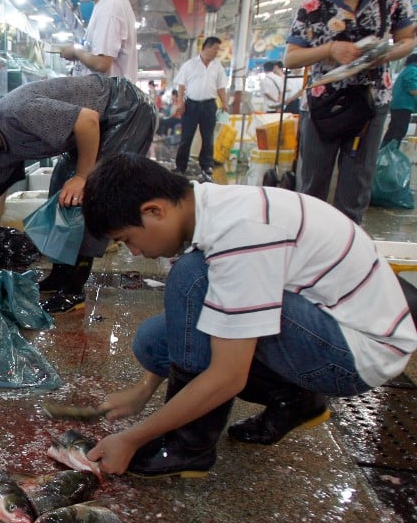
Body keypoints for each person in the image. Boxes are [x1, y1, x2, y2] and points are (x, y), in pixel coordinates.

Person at [78, 153, 416, 478]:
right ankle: (295, 399)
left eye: (127, 240)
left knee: (193, 276)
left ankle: (189, 447)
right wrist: (144, 389)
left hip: (358, 352)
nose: (134, 252)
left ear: (155, 210)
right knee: (155, 343)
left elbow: (229, 376)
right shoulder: (208, 205)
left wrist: (132, 438)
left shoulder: (240, 234)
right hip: (324, 321)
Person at [0, 75, 156, 313]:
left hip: (126, 110)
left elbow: (88, 121)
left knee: (88, 196)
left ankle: (73, 290)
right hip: (94, 125)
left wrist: (83, 177)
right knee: (60, 184)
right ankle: (60, 275)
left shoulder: (17, 112)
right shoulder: (1, 155)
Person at [285, 0, 415, 224]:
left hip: (372, 100)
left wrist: (385, 54)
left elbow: (408, 40)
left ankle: (348, 244)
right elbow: (291, 58)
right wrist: (329, 50)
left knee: (357, 180)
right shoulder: (313, 7)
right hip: (324, 104)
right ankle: (308, 239)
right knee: (313, 181)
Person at [59, 0, 137, 81]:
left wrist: (76, 52)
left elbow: (101, 63)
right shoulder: (106, 2)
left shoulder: (110, 6)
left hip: (108, 99)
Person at [172, 36, 228, 179]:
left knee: (208, 137)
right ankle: (180, 166)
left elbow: (221, 87)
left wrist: (225, 103)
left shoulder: (218, 67)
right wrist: (180, 103)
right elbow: (181, 85)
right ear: (207, 47)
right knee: (186, 137)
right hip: (191, 105)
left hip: (209, 105)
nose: (217, 52)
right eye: (216, 48)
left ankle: (206, 166)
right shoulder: (190, 65)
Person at [382, 52, 417, 146]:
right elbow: (413, 89)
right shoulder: (412, 70)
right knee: (398, 131)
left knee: (392, 131)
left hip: (398, 105)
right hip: (403, 106)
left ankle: (384, 153)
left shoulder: (407, 70)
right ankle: (391, 154)